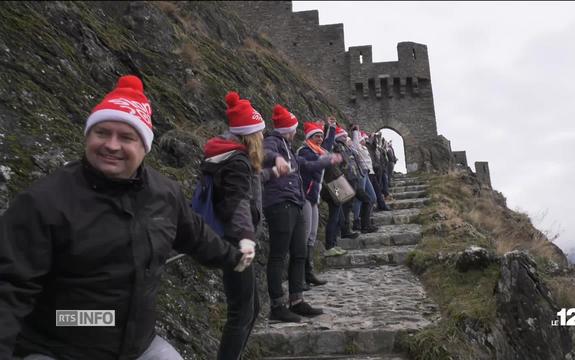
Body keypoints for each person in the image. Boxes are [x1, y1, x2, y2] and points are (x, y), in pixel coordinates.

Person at [0, 75, 253, 360]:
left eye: (127, 137)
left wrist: (235, 258)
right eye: (102, 133)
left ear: (144, 146)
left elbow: (196, 236)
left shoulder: (164, 194)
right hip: (57, 348)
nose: (111, 145)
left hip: (140, 347)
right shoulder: (43, 202)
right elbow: (9, 286)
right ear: (87, 137)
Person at [200, 91, 276, 360]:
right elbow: (238, 201)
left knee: (251, 309)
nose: (264, 138)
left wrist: (272, 172)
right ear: (251, 134)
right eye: (261, 133)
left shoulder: (235, 156)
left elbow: (247, 186)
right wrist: (245, 237)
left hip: (236, 241)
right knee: (241, 313)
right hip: (236, 244)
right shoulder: (237, 161)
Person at [262, 104, 341, 323]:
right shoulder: (274, 141)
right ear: (287, 128)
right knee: (278, 255)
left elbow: (305, 164)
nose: (295, 131)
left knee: (298, 251)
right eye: (293, 127)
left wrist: (327, 159)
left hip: (294, 203)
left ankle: (297, 300)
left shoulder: (287, 146)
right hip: (279, 202)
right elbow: (263, 152)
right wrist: (275, 160)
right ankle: (277, 305)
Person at [297, 117, 337, 288]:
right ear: (309, 137)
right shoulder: (305, 151)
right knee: (305, 236)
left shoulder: (318, 151)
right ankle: (300, 277)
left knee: (312, 236)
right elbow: (312, 165)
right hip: (305, 196)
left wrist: (332, 128)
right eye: (317, 136)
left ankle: (309, 272)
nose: (320, 139)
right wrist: (329, 159)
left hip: (314, 198)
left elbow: (327, 147)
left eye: (321, 136)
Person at [350, 127, 379, 233]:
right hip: (361, 173)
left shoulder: (365, 148)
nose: (364, 141)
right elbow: (356, 142)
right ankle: (357, 221)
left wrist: (373, 137)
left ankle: (365, 221)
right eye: (362, 139)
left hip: (367, 173)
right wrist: (356, 131)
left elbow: (371, 143)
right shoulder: (357, 148)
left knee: (372, 197)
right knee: (360, 199)